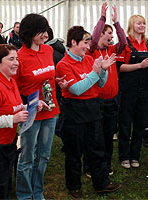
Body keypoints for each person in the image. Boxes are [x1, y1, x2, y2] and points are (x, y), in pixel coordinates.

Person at [0, 44, 48, 199]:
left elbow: (14, 106)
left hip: (7, 145)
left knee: (4, 188)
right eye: (11, 59)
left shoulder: (11, 80)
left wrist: (32, 106)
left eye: (17, 59)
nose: (16, 63)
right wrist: (12, 119)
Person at [56, 25, 121, 198]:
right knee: (74, 151)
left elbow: (99, 84)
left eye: (88, 43)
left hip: (92, 108)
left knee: (97, 148)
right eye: (85, 43)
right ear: (73, 42)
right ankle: (74, 185)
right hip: (74, 111)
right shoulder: (63, 64)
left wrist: (103, 71)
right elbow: (77, 89)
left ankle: (102, 183)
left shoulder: (87, 59)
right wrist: (95, 73)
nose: (87, 47)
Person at [13, 13, 62, 200]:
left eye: (45, 29)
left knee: (44, 156)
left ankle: (37, 191)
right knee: (27, 158)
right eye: (41, 31)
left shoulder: (48, 51)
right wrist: (30, 103)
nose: (45, 34)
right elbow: (14, 90)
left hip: (51, 111)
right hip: (31, 115)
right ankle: (25, 195)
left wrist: (58, 81)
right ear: (30, 33)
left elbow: (48, 77)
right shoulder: (19, 57)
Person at [85, 2, 126, 177]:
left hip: (112, 100)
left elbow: (123, 42)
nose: (111, 37)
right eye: (108, 33)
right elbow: (93, 39)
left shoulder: (112, 49)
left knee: (109, 135)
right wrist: (102, 18)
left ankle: (106, 165)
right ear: (100, 33)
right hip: (97, 100)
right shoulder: (92, 50)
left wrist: (116, 23)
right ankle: (89, 166)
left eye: (112, 34)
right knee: (95, 135)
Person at [118, 14, 148, 169]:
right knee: (125, 122)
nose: (142, 25)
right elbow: (120, 67)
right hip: (129, 89)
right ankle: (124, 156)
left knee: (141, 123)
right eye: (139, 23)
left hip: (146, 89)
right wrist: (139, 66)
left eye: (144, 23)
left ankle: (135, 155)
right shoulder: (125, 43)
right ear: (131, 25)